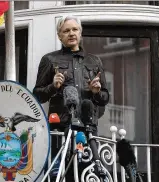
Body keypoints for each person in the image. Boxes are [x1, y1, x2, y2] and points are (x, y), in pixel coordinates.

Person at [33, 15, 109, 181]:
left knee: (87, 174)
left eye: (75, 29)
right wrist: (53, 86)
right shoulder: (49, 60)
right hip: (59, 129)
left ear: (80, 33)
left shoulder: (94, 61)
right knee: (59, 175)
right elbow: (37, 95)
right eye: (66, 31)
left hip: (88, 128)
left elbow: (105, 98)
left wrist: (96, 91)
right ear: (59, 35)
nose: (71, 33)